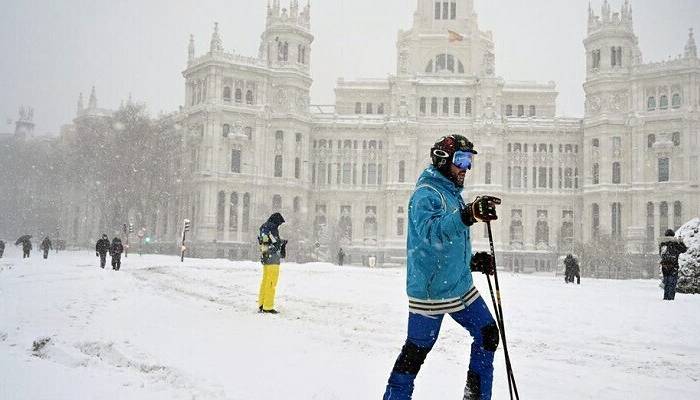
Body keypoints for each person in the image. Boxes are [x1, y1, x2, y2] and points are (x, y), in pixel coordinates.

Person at [383, 135, 501, 400]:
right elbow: (432, 234)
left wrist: (472, 260)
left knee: (488, 335)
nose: (465, 168)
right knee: (415, 353)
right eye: (460, 160)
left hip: (459, 284)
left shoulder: (450, 192)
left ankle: (476, 397)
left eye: (469, 161)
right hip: (431, 292)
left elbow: (450, 241)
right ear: (442, 160)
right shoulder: (425, 195)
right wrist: (468, 214)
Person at [257, 213, 287, 314]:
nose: (279, 226)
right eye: (279, 223)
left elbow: (265, 241)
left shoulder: (264, 227)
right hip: (272, 259)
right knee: (271, 283)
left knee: (265, 282)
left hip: (265, 256)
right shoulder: (272, 227)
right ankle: (268, 307)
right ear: (276, 221)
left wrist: (266, 252)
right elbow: (275, 243)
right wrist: (282, 243)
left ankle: (262, 304)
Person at [659, 229, 687, 300]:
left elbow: (661, 254)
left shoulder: (662, 244)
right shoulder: (675, 244)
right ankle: (670, 299)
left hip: (665, 267)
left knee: (667, 283)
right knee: (672, 283)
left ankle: (666, 298)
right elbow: (684, 249)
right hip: (673, 267)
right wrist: (681, 242)